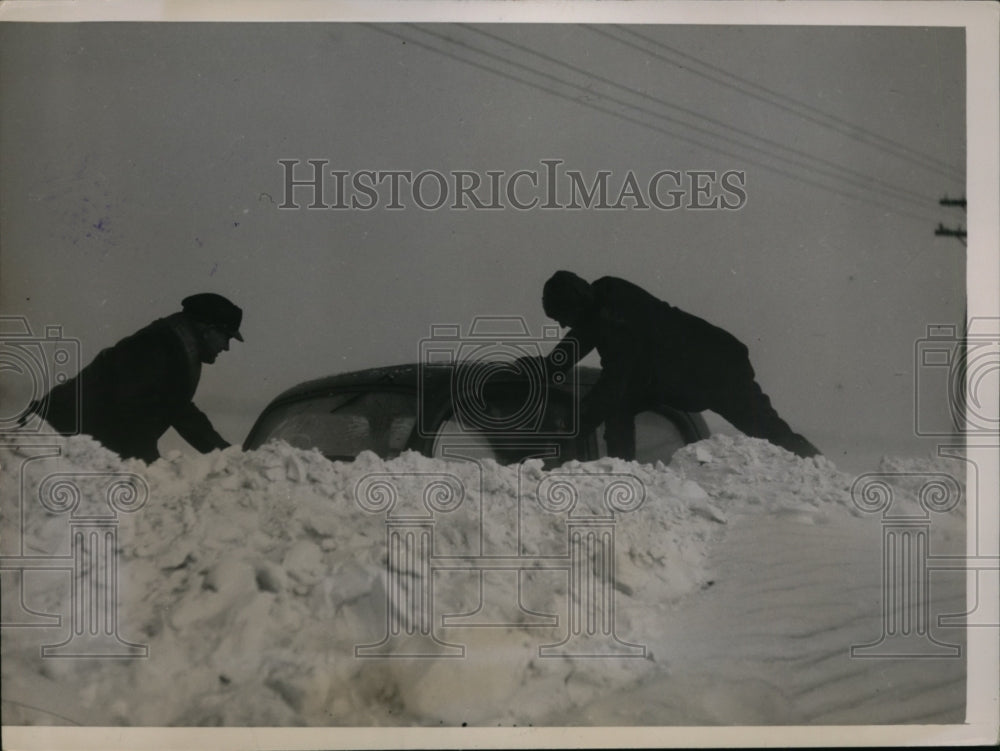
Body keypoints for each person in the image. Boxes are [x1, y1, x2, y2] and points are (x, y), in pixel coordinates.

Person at [538, 271, 820, 460]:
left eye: (562, 316)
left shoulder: (613, 315)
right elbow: (575, 344)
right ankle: (620, 472)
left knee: (771, 434)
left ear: (575, 304)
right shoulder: (599, 302)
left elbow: (612, 384)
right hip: (681, 374)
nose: (563, 324)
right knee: (619, 406)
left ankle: (822, 473)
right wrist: (541, 371)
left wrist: (575, 425)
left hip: (715, 371)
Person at [24, 293, 244, 463]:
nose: (225, 347)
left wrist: (223, 453)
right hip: (47, 442)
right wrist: (150, 467)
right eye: (225, 338)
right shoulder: (156, 348)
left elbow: (179, 409)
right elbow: (131, 413)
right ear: (207, 329)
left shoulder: (174, 347)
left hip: (66, 441)